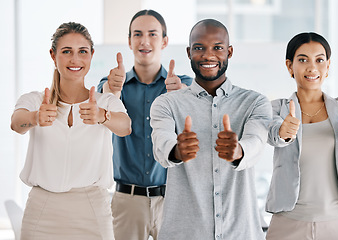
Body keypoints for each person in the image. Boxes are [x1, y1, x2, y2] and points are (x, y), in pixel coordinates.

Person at [150, 19, 272, 240]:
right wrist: (176, 151)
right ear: (189, 52)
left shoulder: (255, 102)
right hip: (183, 234)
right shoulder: (167, 104)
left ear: (230, 51)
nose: (208, 56)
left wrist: (239, 151)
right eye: (199, 48)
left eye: (217, 47)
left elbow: (257, 141)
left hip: (241, 233)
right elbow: (161, 142)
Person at [10, 22, 132, 240]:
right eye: (67, 52)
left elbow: (125, 127)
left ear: (91, 55)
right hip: (41, 208)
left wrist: (102, 116)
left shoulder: (104, 102)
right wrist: (34, 117)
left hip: (91, 208)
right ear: (53, 55)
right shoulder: (35, 100)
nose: (75, 59)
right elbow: (16, 123)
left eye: (82, 52)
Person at [97, 9, 192, 240]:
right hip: (126, 202)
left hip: (173, 201)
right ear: (129, 41)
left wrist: (182, 97)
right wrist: (113, 90)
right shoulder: (111, 84)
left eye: (153, 34)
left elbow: (200, 112)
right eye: (137, 34)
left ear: (165, 41)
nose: (145, 41)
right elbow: (104, 101)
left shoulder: (182, 84)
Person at [265, 32, 338, 240]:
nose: (312, 68)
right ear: (289, 66)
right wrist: (283, 133)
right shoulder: (277, 109)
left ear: (328, 66)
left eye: (319, 60)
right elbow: (271, 133)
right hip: (288, 222)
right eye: (303, 60)